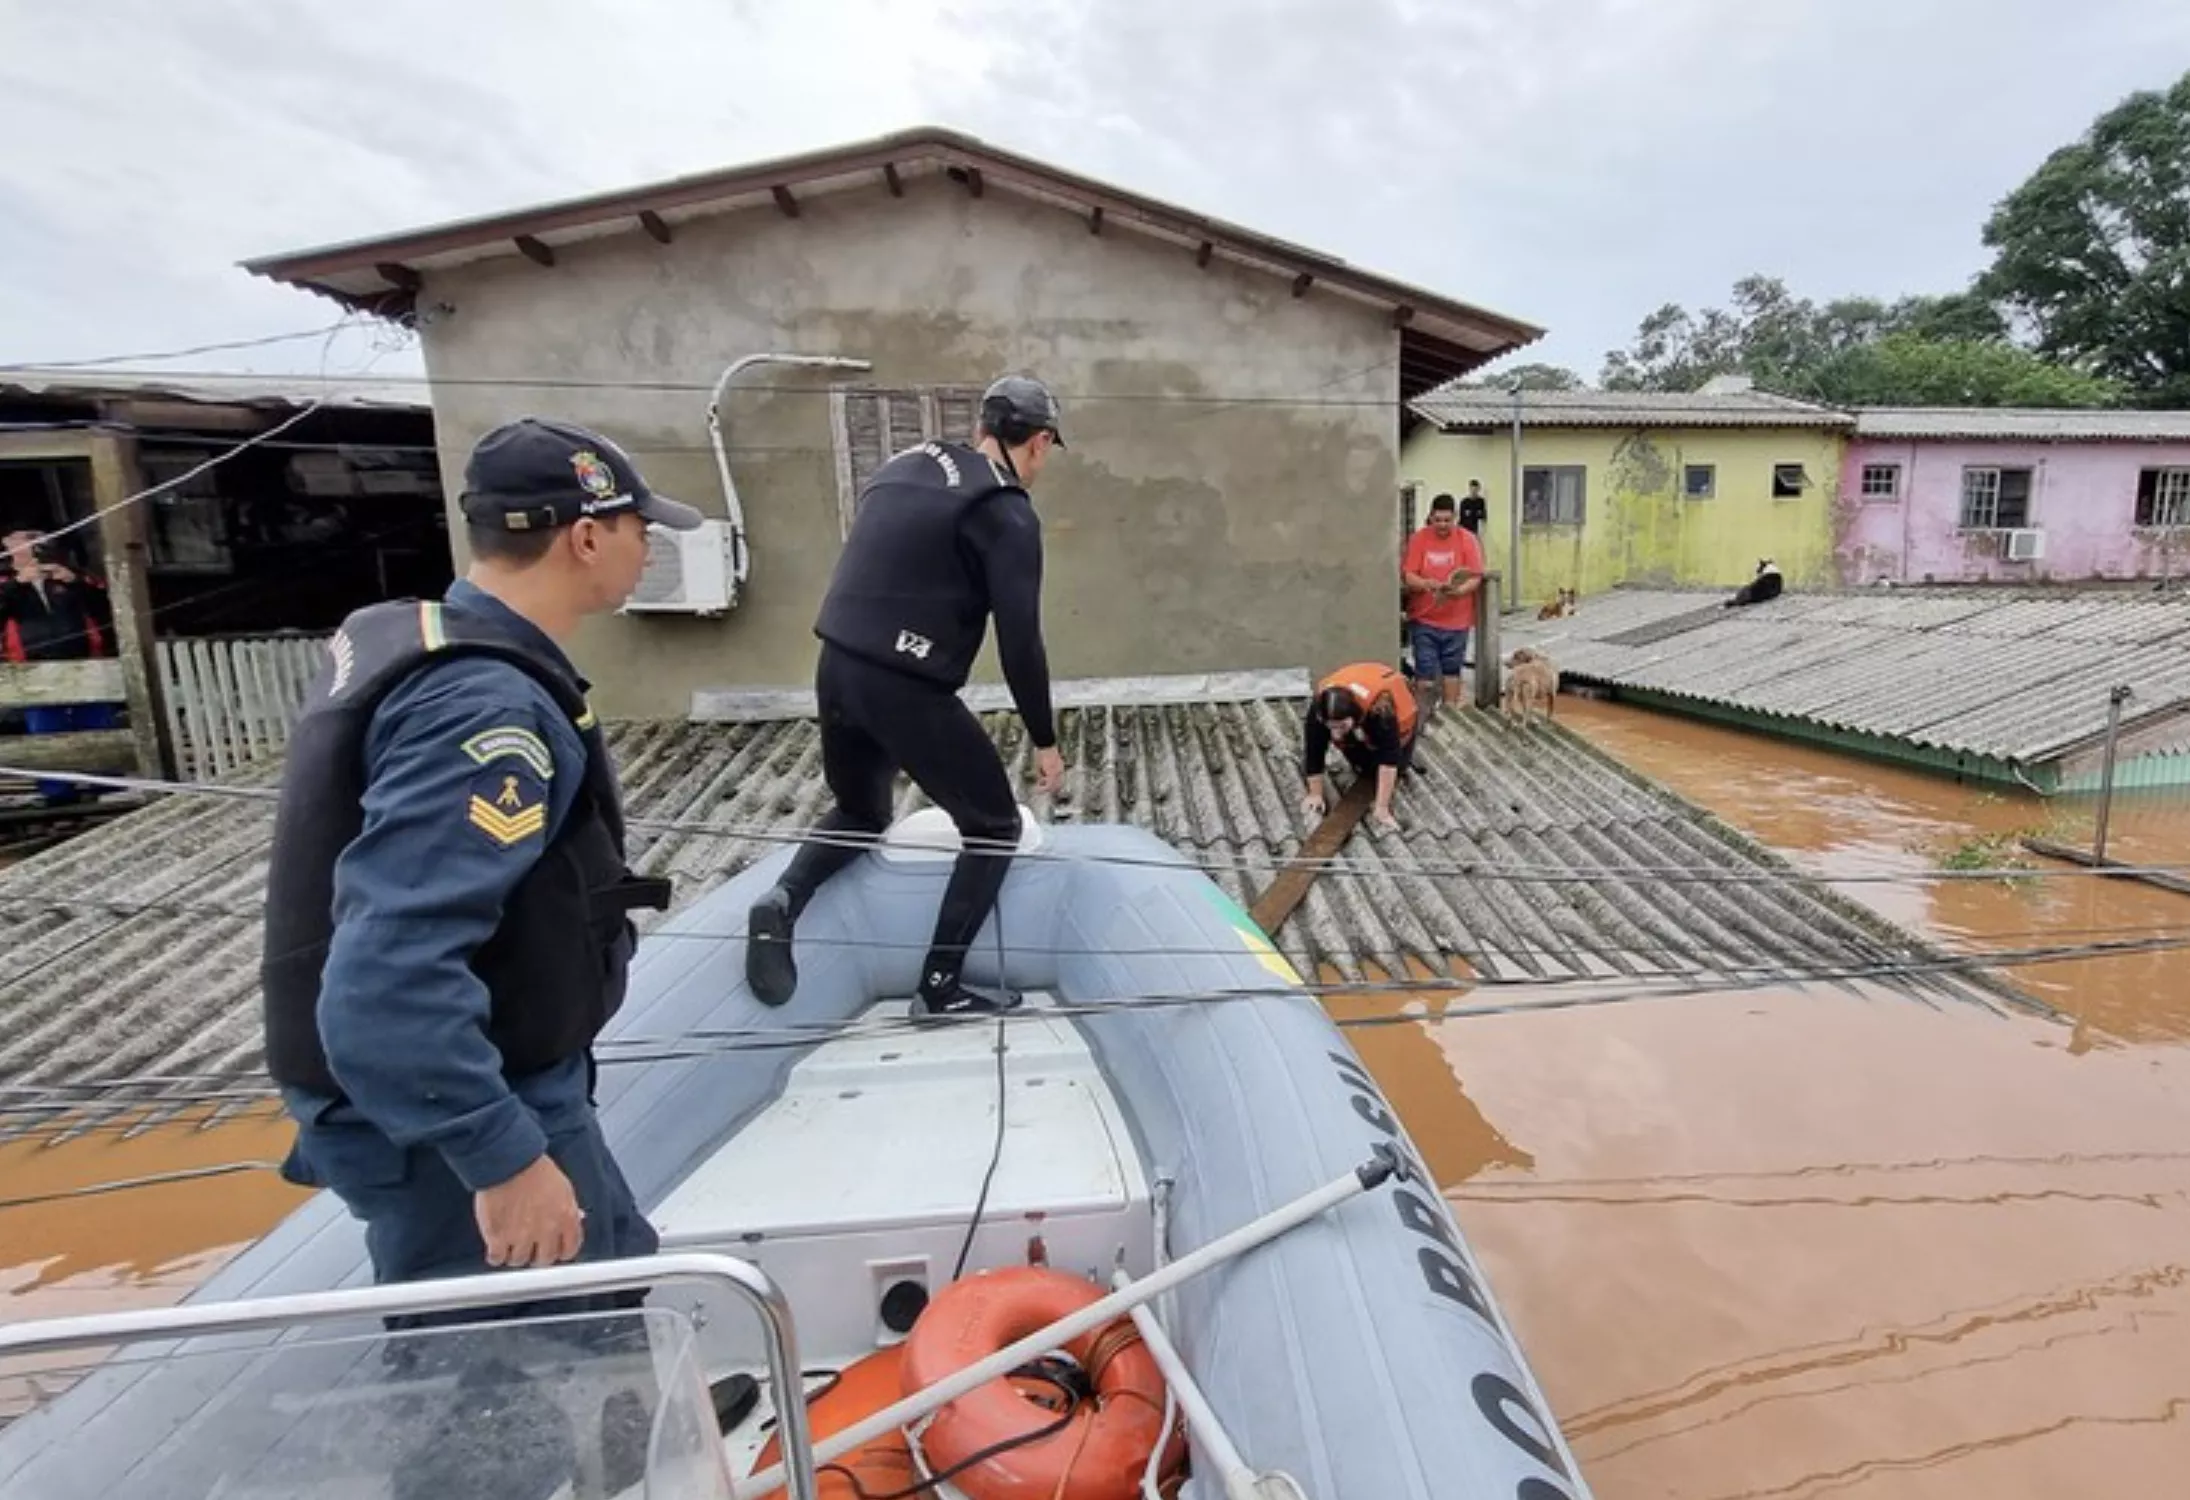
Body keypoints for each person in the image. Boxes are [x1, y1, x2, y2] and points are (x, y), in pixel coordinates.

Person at [260, 417, 701, 1331]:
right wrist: (498, 1157)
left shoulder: (418, 639)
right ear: (586, 536)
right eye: (639, 528)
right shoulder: (480, 707)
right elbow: (386, 977)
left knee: (618, 1285)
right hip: (453, 1111)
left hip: (501, 1079)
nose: (647, 545)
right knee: (509, 1381)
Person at [745, 374, 1068, 1017]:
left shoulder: (910, 461)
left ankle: (781, 900)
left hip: (836, 662)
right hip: (903, 682)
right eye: (1048, 450)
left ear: (982, 427)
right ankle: (940, 985)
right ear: (1037, 442)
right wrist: (1045, 741)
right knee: (994, 825)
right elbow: (1020, 644)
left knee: (862, 811)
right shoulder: (1005, 511)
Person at [1, 529, 118, 806]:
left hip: (82, 659)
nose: (32, 549)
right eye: (22, 544)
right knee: (45, 727)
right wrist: (19, 583)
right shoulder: (6, 583)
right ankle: (57, 790)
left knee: (96, 722)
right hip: (32, 665)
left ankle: (107, 782)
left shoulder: (67, 575)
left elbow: (105, 603)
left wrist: (75, 581)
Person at [1301, 661, 1418, 833]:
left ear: (1355, 716)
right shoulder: (1319, 711)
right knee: (1362, 765)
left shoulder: (1381, 711)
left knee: (1391, 766)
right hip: (1355, 719)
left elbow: (1389, 760)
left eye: (1341, 726)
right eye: (1331, 726)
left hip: (1400, 722)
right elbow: (1314, 750)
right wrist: (1315, 793)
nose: (1335, 734)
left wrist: (1381, 808)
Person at [1401, 493, 1484, 716]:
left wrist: (1458, 591)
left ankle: (1450, 715)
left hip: (1457, 620)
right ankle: (1423, 715)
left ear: (1455, 517)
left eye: (1447, 520)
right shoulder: (1418, 539)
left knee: (1452, 670)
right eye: (1438, 520)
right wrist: (1427, 584)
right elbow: (1408, 575)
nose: (1443, 525)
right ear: (1430, 517)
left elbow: (1475, 577)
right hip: (1424, 617)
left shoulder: (1468, 540)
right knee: (1424, 670)